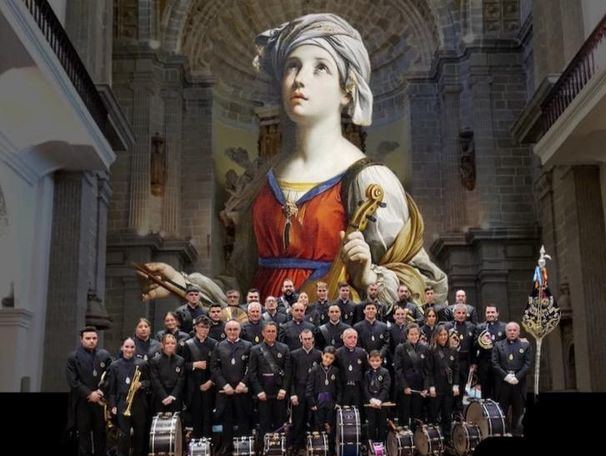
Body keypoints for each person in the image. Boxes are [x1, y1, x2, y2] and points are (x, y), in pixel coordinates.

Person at [137, 12, 447, 315]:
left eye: (320, 68)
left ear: (347, 89)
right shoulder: (262, 181)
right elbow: (242, 288)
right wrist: (184, 284)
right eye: (292, 66)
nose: (299, 79)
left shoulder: (369, 181)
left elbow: (424, 282)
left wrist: (368, 278)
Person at [66, 326, 113, 456]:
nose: (91, 341)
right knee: (84, 431)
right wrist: (89, 393)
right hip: (82, 401)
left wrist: (101, 391)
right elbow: (73, 381)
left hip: (100, 400)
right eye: (88, 338)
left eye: (94, 338)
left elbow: (111, 375)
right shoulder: (73, 357)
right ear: (81, 340)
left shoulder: (104, 355)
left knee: (100, 430)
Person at [210, 320, 252, 455]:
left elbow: (251, 368)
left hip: (242, 390)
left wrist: (243, 383)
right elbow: (214, 368)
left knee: (243, 418)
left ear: (240, 331)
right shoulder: (219, 346)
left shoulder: (248, 345)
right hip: (225, 390)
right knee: (226, 419)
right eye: (230, 329)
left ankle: (243, 446)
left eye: (235, 329)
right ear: (225, 331)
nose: (232, 332)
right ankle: (227, 445)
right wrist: (224, 384)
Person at [108, 337, 150, 456]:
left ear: (134, 349)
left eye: (132, 347)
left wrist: (141, 384)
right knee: (124, 435)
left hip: (139, 403)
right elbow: (112, 389)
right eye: (126, 347)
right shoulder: (115, 365)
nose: (129, 350)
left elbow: (149, 382)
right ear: (122, 348)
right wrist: (113, 405)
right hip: (122, 403)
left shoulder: (142, 364)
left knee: (139, 433)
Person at [248, 321, 291, 443]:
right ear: (263, 333)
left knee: (280, 423)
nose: (271, 334)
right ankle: (264, 451)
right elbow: (252, 373)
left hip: (279, 393)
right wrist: (259, 391)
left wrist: (284, 389)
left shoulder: (284, 348)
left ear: (277, 333)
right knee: (264, 423)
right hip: (263, 394)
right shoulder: (255, 350)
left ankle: (280, 449)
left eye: (273, 331)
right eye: (268, 331)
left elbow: (288, 372)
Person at [492, 322, 530, 436]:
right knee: (501, 412)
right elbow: (494, 363)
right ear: (506, 332)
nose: (512, 332)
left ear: (518, 332)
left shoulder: (526, 345)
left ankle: (517, 434)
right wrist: (506, 377)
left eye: (514, 330)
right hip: (503, 384)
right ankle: (504, 433)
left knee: (518, 413)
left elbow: (527, 364)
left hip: (519, 384)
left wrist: (517, 377)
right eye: (509, 330)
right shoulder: (498, 345)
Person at [182, 316, 217, 439]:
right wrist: (194, 365)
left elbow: (217, 366)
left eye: (207, 327)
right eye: (202, 327)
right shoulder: (188, 344)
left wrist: (210, 382)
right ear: (195, 327)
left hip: (209, 386)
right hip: (193, 388)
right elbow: (182, 366)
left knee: (208, 419)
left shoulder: (214, 344)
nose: (204, 330)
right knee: (196, 419)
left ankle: (208, 448)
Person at [290, 329, 322, 452]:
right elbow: (291, 376)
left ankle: (315, 445)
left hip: (315, 391)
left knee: (315, 419)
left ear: (313, 339)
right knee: (298, 419)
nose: (307, 341)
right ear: (301, 339)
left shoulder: (319, 355)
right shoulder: (294, 354)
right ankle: (297, 445)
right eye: (305, 339)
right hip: (299, 390)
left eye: (309, 338)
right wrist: (293, 393)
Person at [427, 325, 459, 442]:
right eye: (441, 335)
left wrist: (456, 385)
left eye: (445, 335)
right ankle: (432, 438)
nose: (443, 337)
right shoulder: (431, 350)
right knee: (433, 414)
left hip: (448, 388)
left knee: (447, 414)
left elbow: (456, 370)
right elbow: (429, 370)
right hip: (436, 388)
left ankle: (447, 438)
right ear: (436, 336)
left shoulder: (453, 350)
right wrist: (431, 386)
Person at [394, 323, 428, 428]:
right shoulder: (401, 348)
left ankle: (416, 436)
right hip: (406, 386)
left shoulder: (424, 348)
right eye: (411, 334)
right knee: (404, 414)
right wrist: (405, 386)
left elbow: (427, 370)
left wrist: (426, 387)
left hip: (419, 386)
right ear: (407, 335)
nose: (414, 336)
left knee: (417, 414)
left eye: (416, 334)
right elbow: (398, 369)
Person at [306, 346, 341, 439]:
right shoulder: (315, 370)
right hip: (318, 404)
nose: (328, 360)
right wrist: (312, 403)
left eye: (331, 358)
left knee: (330, 426)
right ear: (322, 355)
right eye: (326, 356)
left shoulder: (335, 371)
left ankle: (331, 449)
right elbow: (309, 388)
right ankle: (319, 448)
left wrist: (338, 402)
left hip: (331, 404)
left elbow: (339, 389)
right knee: (318, 426)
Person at [474, 304, 506, 400]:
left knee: (499, 390)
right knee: (485, 391)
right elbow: (474, 345)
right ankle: (486, 413)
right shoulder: (480, 327)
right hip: (484, 363)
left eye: (492, 312)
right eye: (488, 312)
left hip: (499, 363)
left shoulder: (504, 327)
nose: (490, 314)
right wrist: (481, 340)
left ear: (497, 313)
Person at [149, 333, 185, 413]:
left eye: (172, 343)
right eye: (167, 343)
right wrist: (164, 396)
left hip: (175, 397)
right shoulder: (155, 361)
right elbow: (155, 380)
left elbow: (181, 380)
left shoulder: (181, 360)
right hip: (160, 397)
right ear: (162, 345)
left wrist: (173, 395)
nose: (170, 345)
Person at [363, 350, 391, 442]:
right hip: (371, 404)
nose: (375, 363)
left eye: (377, 360)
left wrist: (379, 400)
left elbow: (386, 387)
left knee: (382, 424)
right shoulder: (367, 374)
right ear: (369, 361)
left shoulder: (385, 372)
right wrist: (371, 399)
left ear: (381, 360)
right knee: (371, 424)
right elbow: (365, 388)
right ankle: (372, 444)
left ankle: (382, 443)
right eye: (372, 361)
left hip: (382, 403)